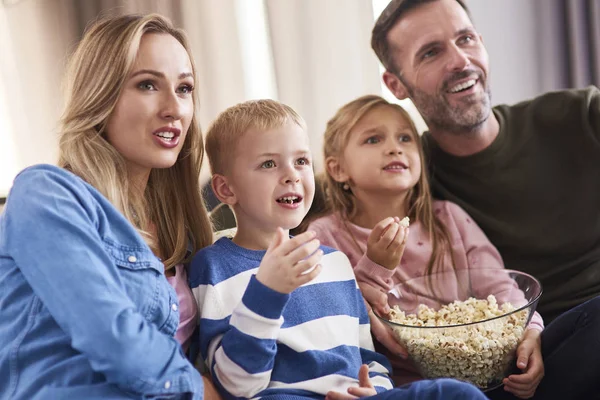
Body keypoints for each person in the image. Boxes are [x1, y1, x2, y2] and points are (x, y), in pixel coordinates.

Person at [365, 0, 600, 398]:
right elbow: (301, 205)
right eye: (431, 52)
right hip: (522, 365)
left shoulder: (581, 116)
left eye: (466, 39)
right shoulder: (402, 174)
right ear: (396, 84)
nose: (460, 60)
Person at [189, 99, 488, 400]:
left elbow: (367, 359)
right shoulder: (213, 266)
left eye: (301, 161)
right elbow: (235, 384)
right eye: (269, 163)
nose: (292, 175)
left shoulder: (334, 261)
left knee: (456, 393)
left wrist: (375, 390)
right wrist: (267, 292)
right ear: (226, 189)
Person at [0, 14, 219, 399]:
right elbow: (113, 337)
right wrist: (200, 389)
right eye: (148, 84)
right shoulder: (46, 193)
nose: (175, 108)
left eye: (184, 89)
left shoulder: (181, 233)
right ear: (100, 94)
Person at [304, 94, 544, 396]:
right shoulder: (325, 236)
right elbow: (327, 322)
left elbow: (501, 288)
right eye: (373, 139)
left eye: (405, 138)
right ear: (338, 169)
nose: (394, 147)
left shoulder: (449, 220)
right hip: (402, 385)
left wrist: (529, 332)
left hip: (492, 366)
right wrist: (375, 267)